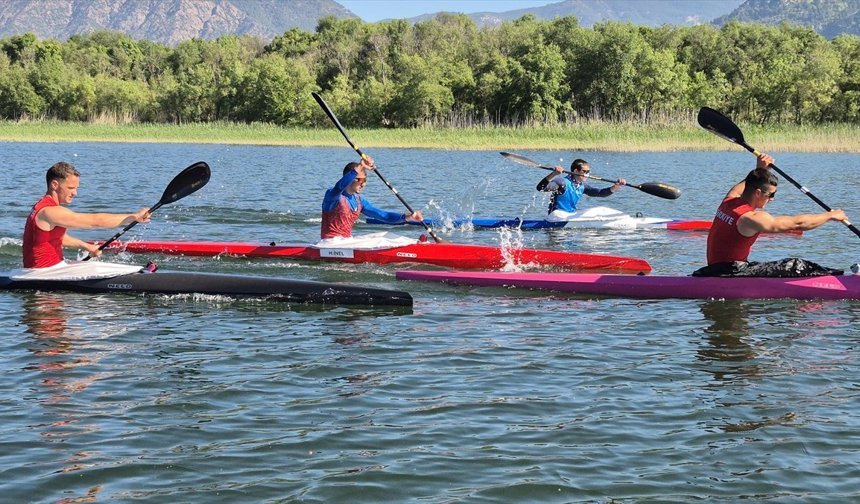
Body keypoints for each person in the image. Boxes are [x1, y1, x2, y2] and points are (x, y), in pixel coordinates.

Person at [693, 153, 848, 277]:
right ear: (758, 192)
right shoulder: (750, 218)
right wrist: (830, 216)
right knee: (796, 265)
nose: (772, 200)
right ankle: (841, 280)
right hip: (731, 272)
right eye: (771, 195)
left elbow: (746, 184)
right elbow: (797, 224)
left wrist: (761, 169)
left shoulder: (728, 201)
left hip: (715, 269)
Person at [23, 161, 150, 268]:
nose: (75, 193)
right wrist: (133, 217)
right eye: (71, 188)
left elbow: (58, 238)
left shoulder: (44, 206)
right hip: (44, 273)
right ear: (55, 185)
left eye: (76, 188)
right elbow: (95, 221)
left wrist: (87, 246)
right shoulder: (50, 211)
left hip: (52, 268)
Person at [321, 155, 423, 239]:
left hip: (347, 241)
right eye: (360, 180)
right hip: (330, 243)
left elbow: (384, 216)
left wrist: (407, 217)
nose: (363, 184)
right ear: (349, 177)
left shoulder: (359, 201)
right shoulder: (332, 196)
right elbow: (339, 187)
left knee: (385, 236)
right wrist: (360, 166)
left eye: (365, 180)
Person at [536, 158, 626, 215]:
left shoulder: (582, 186)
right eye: (585, 171)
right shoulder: (562, 182)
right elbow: (541, 188)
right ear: (575, 171)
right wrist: (553, 174)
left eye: (588, 172)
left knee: (597, 210)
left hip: (569, 215)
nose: (587, 174)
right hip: (556, 216)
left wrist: (615, 187)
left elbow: (600, 193)